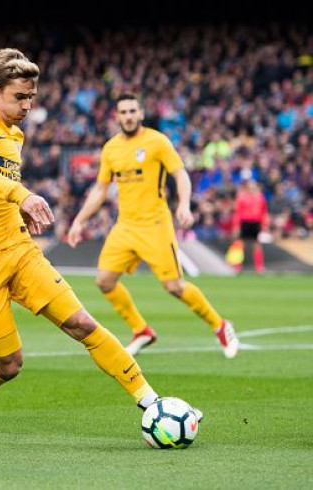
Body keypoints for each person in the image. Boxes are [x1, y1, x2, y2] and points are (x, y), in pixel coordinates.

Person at [0, 48, 200, 439]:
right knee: (9, 363)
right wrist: (23, 196)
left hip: (19, 250)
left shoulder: (15, 133)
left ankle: (151, 401)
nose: (28, 106)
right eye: (19, 97)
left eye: (32, 98)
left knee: (83, 323)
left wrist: (19, 212)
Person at [67, 93, 238, 359]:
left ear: (141, 113)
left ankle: (220, 325)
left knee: (174, 287)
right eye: (123, 112)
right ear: (117, 116)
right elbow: (100, 189)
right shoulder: (110, 148)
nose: (128, 116)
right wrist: (79, 221)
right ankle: (141, 330)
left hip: (156, 225)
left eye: (133, 111)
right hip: (125, 226)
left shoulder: (157, 142)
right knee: (104, 281)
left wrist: (184, 204)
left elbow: (180, 174)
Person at [232, 178, 269, 274]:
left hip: (256, 223)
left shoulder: (260, 198)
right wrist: (236, 226)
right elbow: (238, 213)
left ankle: (259, 267)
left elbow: (263, 213)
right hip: (245, 222)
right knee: (239, 244)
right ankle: (237, 266)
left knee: (257, 245)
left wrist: (264, 225)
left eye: (253, 186)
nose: (252, 188)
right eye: (250, 186)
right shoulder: (242, 197)